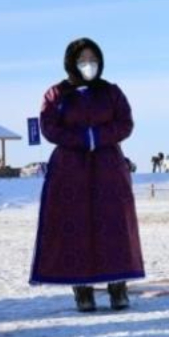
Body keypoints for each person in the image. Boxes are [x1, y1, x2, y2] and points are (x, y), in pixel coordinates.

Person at [30, 38, 145, 311]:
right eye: (83, 60)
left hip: (107, 166)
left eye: (93, 59)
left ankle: (118, 287)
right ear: (71, 62)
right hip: (70, 168)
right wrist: (82, 139)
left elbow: (125, 123)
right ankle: (82, 290)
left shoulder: (111, 92)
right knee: (74, 225)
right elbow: (48, 127)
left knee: (113, 224)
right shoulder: (57, 95)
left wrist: (98, 137)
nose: (88, 65)